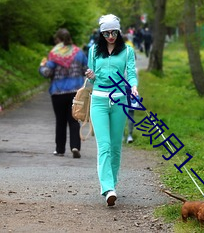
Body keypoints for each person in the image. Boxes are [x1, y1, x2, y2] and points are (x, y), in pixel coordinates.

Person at [85, 14, 138, 206]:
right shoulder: (93, 51)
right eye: (106, 33)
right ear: (101, 33)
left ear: (119, 31)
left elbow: (131, 73)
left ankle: (112, 184)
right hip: (98, 101)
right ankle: (107, 188)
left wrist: (133, 86)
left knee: (116, 147)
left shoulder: (127, 51)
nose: (110, 36)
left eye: (114, 32)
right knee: (104, 146)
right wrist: (90, 75)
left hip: (119, 101)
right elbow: (91, 79)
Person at [39, 28, 88, 158]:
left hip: (58, 92)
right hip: (75, 92)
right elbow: (86, 70)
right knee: (74, 120)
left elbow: (47, 73)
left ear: (58, 40)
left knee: (60, 121)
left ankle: (60, 149)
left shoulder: (54, 54)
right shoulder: (79, 53)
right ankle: (75, 146)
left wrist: (42, 66)